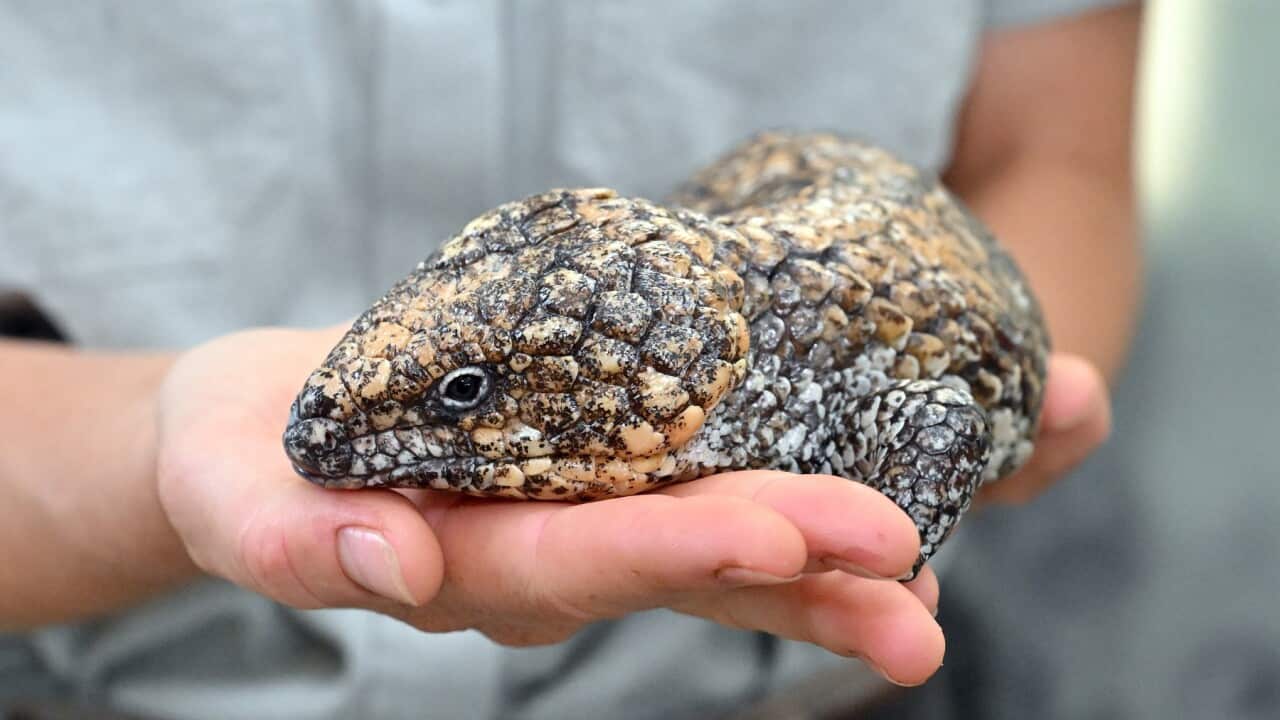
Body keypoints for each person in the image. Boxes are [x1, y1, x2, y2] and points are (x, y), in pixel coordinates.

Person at [0, 1, 1139, 717]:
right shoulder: (629, 304)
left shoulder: (772, 367)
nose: (342, 438)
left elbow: (1056, 165)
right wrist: (146, 445)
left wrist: (912, 514)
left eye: (462, 400)